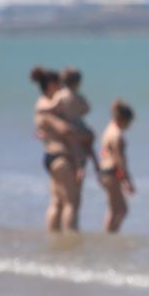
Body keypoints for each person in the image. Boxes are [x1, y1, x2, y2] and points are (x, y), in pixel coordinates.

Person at [31, 66, 91, 232]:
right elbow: (66, 129)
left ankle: (54, 243)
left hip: (52, 156)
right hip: (62, 157)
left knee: (57, 202)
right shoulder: (45, 105)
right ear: (51, 84)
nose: (62, 89)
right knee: (72, 203)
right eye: (60, 85)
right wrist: (86, 134)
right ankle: (71, 243)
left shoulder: (45, 104)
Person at [50, 66, 99, 178]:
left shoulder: (60, 95)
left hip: (68, 124)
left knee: (75, 145)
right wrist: (79, 112)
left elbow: (53, 107)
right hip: (80, 124)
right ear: (78, 83)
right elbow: (87, 109)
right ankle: (96, 164)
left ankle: (79, 168)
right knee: (90, 140)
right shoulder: (79, 96)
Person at [99, 99, 135, 233]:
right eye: (129, 122)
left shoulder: (109, 128)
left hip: (105, 172)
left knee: (114, 210)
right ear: (123, 120)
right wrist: (127, 180)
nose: (129, 126)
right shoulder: (117, 135)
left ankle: (109, 235)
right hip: (111, 172)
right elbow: (120, 160)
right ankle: (110, 235)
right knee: (121, 210)